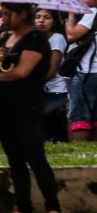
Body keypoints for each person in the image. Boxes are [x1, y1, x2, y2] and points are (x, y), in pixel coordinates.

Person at [0, 3, 65, 213]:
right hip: (4, 106)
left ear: (21, 14)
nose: (4, 17)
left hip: (28, 107)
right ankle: (23, 208)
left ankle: (53, 208)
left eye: (8, 13)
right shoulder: (4, 40)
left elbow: (22, 71)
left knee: (36, 158)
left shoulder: (35, 40)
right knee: (15, 160)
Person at [65, 0, 97, 141]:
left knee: (80, 117)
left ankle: (80, 153)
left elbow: (71, 36)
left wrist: (70, 17)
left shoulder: (92, 12)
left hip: (87, 73)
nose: (81, 0)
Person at [35, 8, 69, 143]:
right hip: (41, 90)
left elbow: (51, 71)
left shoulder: (57, 38)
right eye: (37, 17)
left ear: (54, 21)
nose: (41, 21)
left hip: (56, 91)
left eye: (46, 17)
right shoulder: (35, 39)